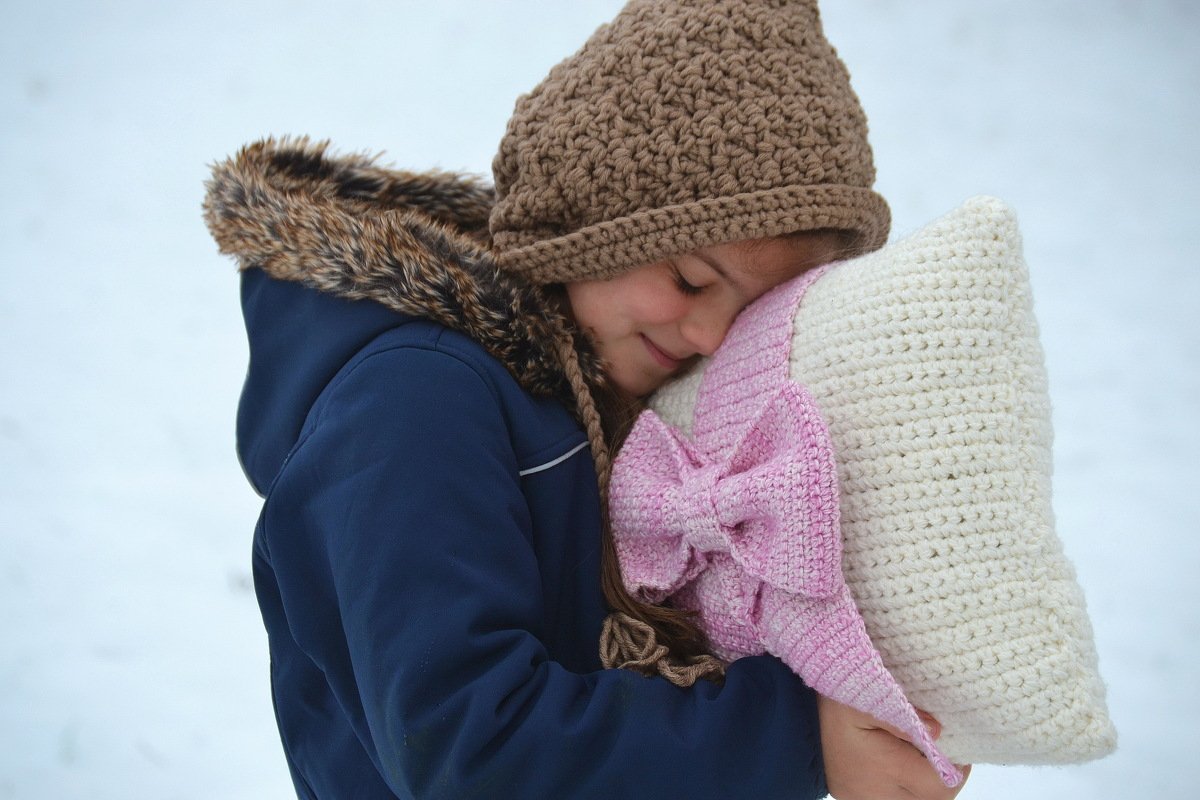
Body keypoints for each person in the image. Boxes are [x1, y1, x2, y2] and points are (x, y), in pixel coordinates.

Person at [204, 1, 969, 797]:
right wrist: (795, 737)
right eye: (690, 280)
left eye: (748, 311)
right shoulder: (417, 401)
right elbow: (470, 748)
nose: (710, 335)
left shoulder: (602, 383)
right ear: (597, 223)